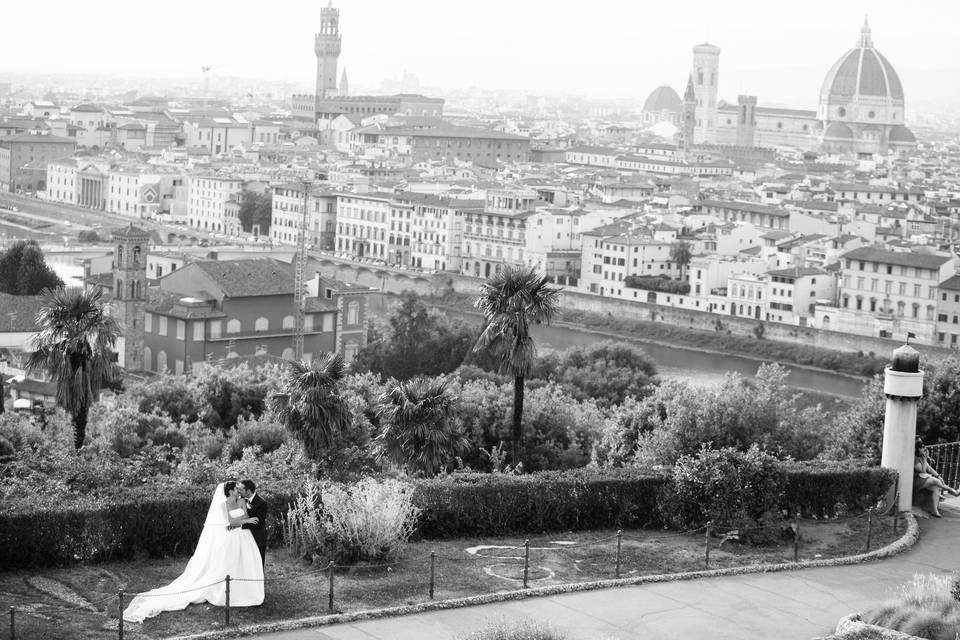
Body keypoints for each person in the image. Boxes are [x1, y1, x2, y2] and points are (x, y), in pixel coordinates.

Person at [122, 481, 265, 623]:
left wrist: (242, 520)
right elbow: (232, 522)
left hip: (244, 536)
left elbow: (244, 517)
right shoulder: (224, 504)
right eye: (235, 489)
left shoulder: (241, 501)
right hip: (232, 537)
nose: (238, 491)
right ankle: (228, 591)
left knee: (246, 562)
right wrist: (243, 521)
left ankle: (248, 590)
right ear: (229, 491)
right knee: (228, 564)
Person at [914, 440, 960, 518]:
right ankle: (951, 490)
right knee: (935, 481)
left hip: (923, 479)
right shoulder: (915, 459)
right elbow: (923, 470)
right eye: (923, 448)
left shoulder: (921, 457)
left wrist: (939, 476)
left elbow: (930, 469)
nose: (924, 450)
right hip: (916, 481)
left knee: (936, 487)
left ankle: (935, 511)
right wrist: (925, 459)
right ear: (918, 449)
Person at [232, 479, 269, 568]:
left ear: (248, 491)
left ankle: (259, 580)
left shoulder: (261, 503)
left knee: (258, 561)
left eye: (240, 489)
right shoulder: (240, 500)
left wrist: (240, 524)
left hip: (257, 537)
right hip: (243, 537)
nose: (238, 491)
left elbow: (258, 523)